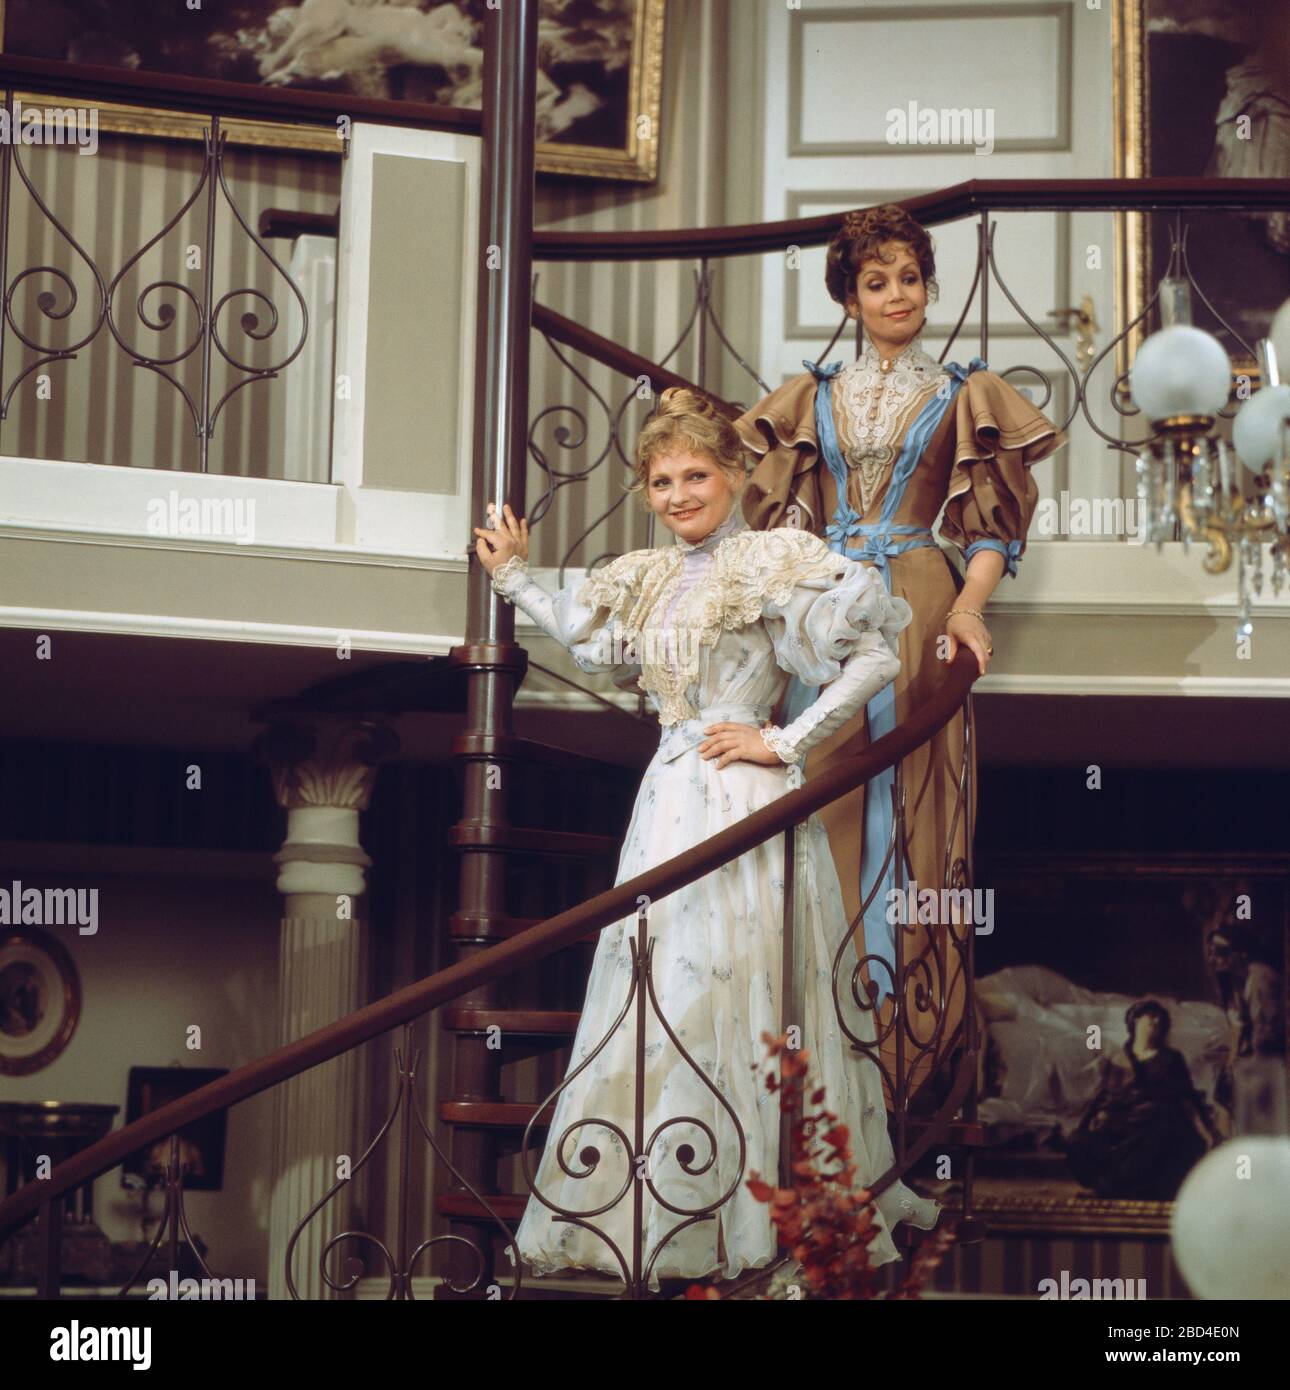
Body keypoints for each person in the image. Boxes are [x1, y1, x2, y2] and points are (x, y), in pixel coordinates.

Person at [473, 387, 941, 1290]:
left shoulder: (770, 562)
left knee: (750, 987)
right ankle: (662, 1211)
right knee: (662, 980)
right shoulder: (645, 575)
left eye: (696, 474)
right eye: (660, 481)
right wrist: (514, 575)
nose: (679, 494)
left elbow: (878, 655)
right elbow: (581, 631)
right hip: (667, 797)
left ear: (734, 474)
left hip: (744, 793)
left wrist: (788, 740)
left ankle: (764, 1221)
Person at [734, 204, 1067, 1106]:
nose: (896, 295)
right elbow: (776, 528)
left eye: (909, 278)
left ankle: (900, 1047)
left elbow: (994, 526)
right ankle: (815, 1039)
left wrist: (967, 604)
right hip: (827, 605)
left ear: (928, 284)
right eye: (875, 281)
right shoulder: (810, 398)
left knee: (917, 797)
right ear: (849, 296)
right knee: (819, 791)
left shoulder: (967, 392)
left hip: (920, 599)